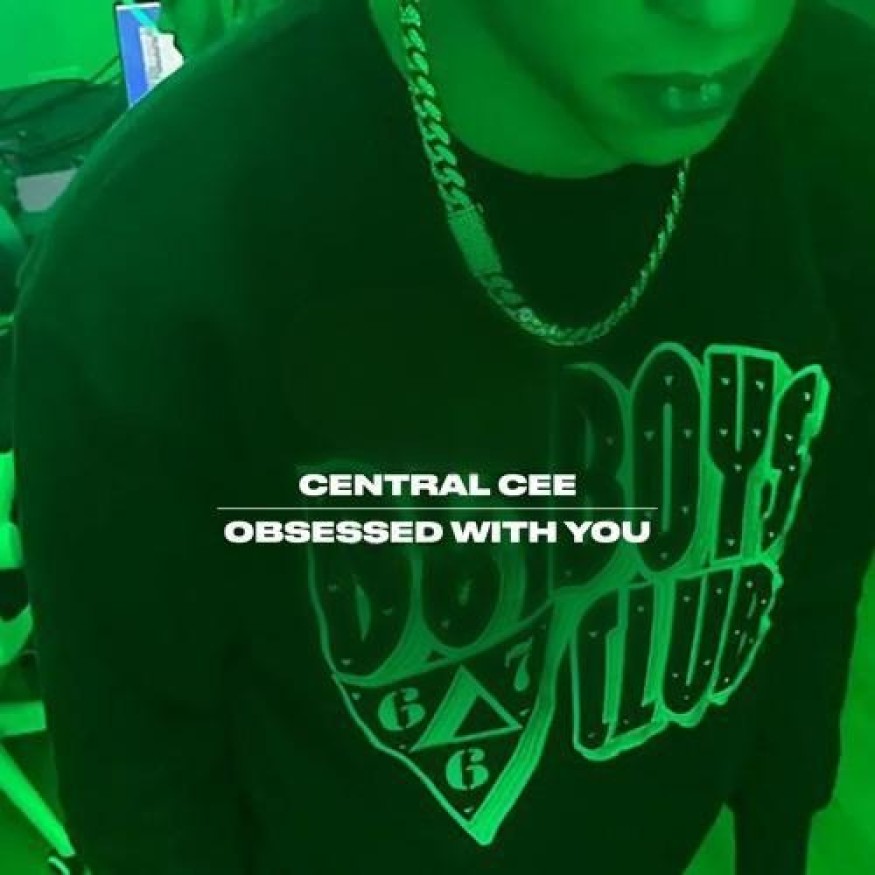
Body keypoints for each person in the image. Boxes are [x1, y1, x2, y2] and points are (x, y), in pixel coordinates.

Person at [11, 1, 875, 874]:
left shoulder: (837, 108)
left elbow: (819, 534)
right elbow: (142, 771)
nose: (723, 14)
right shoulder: (154, 256)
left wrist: (778, 825)